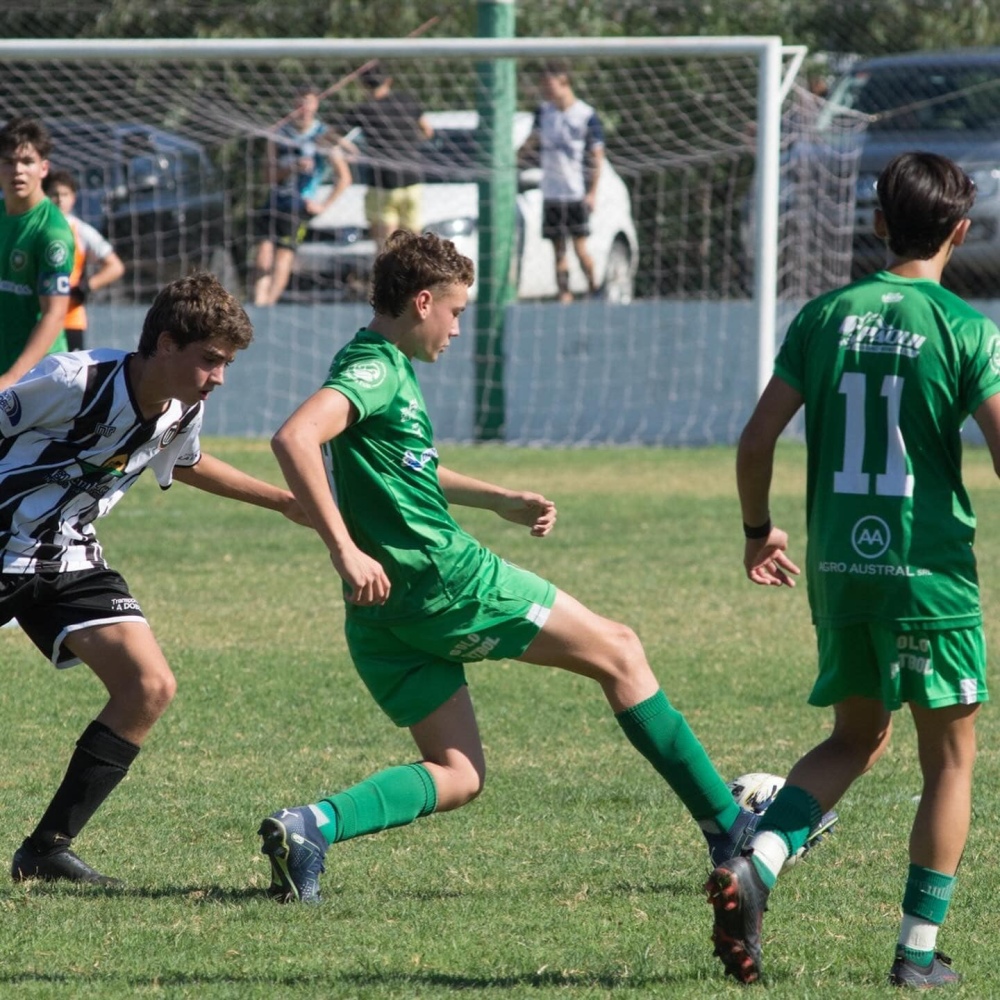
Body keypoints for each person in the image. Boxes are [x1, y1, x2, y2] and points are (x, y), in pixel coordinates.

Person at [257, 229, 832, 905]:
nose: (458, 327)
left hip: (383, 614)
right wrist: (344, 548)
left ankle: (310, 826)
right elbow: (294, 436)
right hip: (447, 584)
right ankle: (730, 829)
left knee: (459, 772)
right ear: (421, 301)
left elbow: (409, 466)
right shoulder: (377, 369)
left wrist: (497, 499)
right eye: (456, 310)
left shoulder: (378, 366)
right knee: (620, 650)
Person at [707, 152, 1000, 988]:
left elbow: (756, 439)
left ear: (877, 224)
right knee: (948, 760)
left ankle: (757, 865)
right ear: (960, 232)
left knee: (855, 736)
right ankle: (916, 953)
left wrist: (759, 529)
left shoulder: (822, 317)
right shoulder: (966, 327)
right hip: (928, 574)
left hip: (841, 568)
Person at [4, 271, 309, 885]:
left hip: (68, 555)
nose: (219, 377)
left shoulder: (182, 406)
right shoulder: (74, 380)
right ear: (166, 344)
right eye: (210, 361)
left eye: (225, 364)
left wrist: (282, 501)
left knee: (149, 686)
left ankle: (46, 851)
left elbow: (185, 461)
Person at [253, 84, 352, 306]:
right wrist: (291, 168)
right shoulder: (279, 134)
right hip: (274, 201)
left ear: (316, 104)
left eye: (308, 102)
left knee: (284, 254)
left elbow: (344, 178)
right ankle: (258, 302)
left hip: (299, 206)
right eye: (299, 103)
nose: (303, 108)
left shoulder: (322, 135)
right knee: (263, 253)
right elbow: (267, 176)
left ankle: (268, 303)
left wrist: (323, 206)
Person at [521, 61, 604, 304]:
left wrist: (592, 193)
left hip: (575, 193)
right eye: (543, 86)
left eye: (550, 85)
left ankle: (594, 289)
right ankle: (564, 296)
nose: (546, 91)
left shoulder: (586, 116)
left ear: (564, 83)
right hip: (551, 193)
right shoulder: (543, 113)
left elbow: (597, 158)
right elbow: (531, 142)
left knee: (580, 248)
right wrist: (511, 158)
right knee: (558, 251)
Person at [0, 115, 73, 391]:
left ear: (43, 168)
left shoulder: (52, 232)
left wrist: (10, 378)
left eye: (27, 162)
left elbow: (54, 314)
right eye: (8, 162)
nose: (18, 170)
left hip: (37, 379)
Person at [335, 64, 434, 251]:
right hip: (412, 181)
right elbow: (428, 131)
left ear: (362, 85)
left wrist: (351, 148)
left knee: (386, 250)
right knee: (415, 248)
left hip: (383, 184)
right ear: (388, 81)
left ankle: (386, 280)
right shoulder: (406, 100)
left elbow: (331, 135)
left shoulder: (363, 109)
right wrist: (407, 144)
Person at [43, 168, 126, 351]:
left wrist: (87, 286)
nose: (59, 199)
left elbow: (115, 266)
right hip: (37, 317)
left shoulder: (81, 230)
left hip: (70, 318)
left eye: (65, 194)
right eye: (54, 194)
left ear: (73, 198)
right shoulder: (35, 227)